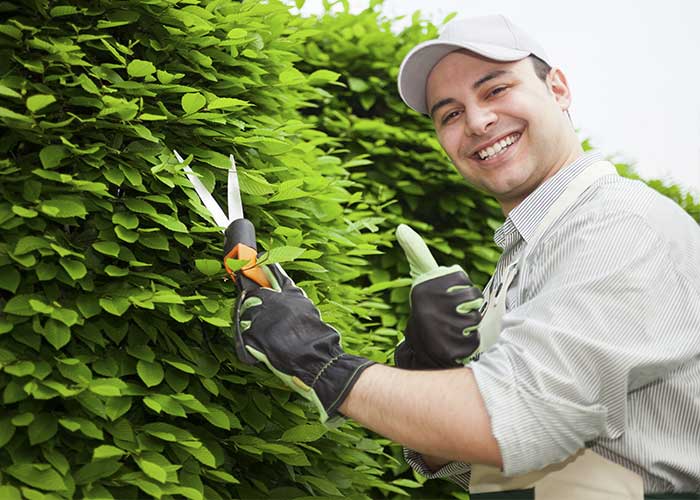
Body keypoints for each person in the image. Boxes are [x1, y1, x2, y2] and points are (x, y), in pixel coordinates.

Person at [234, 14, 700, 499]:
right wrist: (429, 369)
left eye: (495, 90)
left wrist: (321, 363)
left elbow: (517, 419)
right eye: (450, 114)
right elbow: (472, 460)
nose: (477, 122)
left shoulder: (616, 225)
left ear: (558, 89)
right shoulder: (533, 247)